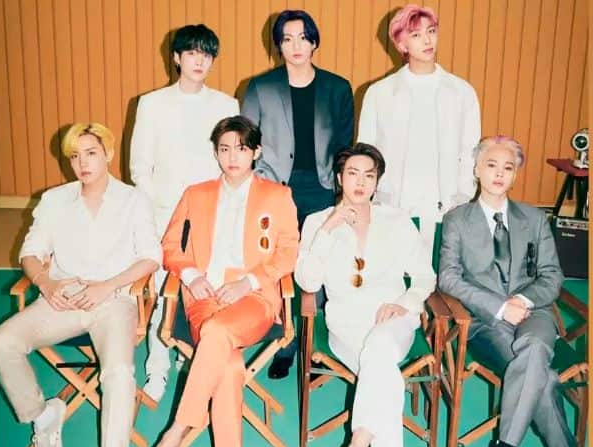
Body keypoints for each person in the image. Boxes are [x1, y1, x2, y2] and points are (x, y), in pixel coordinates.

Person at [127, 116, 299, 447]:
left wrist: (249, 282)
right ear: (216, 153)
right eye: (224, 149)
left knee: (219, 337)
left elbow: (288, 252)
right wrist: (190, 275)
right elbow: (170, 246)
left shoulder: (277, 195)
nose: (232, 157)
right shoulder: (197, 193)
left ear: (256, 152)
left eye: (241, 148)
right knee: (229, 367)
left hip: (254, 299)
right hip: (203, 298)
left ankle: (171, 438)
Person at [0, 123, 162, 447]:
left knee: (119, 374)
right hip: (63, 297)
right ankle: (43, 417)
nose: (82, 163)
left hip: (113, 300)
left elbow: (151, 256)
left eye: (90, 153)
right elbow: (30, 253)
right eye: (74, 156)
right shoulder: (54, 200)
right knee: (1, 343)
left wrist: (107, 287)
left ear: (108, 154)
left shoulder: (133, 200)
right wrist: (47, 283)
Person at [438, 135, 589, 447]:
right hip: (486, 323)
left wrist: (523, 299)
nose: (499, 174)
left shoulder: (534, 219)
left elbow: (552, 276)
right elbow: (448, 278)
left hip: (534, 314)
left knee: (535, 345)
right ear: (476, 169)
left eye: (508, 167)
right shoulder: (457, 220)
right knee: (545, 380)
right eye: (491, 165)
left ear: (516, 174)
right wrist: (499, 306)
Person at [295, 143, 436, 447]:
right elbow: (307, 281)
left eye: (369, 175)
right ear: (339, 178)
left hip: (393, 320)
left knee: (380, 350)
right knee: (381, 365)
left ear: (377, 181)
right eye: (352, 173)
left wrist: (405, 303)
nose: (360, 182)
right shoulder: (318, 221)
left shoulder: (397, 221)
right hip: (346, 326)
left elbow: (425, 277)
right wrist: (328, 230)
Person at [242, 9, 354, 379]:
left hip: (322, 188)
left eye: (303, 37)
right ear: (278, 45)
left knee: (320, 264)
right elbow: (247, 142)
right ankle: (286, 344)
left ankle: (315, 346)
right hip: (277, 189)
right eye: (287, 39)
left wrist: (342, 192)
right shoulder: (260, 87)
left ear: (314, 42)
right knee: (282, 266)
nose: (296, 46)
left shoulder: (337, 88)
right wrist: (262, 185)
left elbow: (344, 145)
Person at [131, 23, 239, 402]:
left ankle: (194, 359)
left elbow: (232, 163)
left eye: (206, 54)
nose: (199, 61)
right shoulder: (152, 104)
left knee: (206, 287)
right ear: (176, 58)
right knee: (166, 292)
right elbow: (139, 168)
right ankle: (157, 369)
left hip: (213, 214)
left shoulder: (226, 105)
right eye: (191, 53)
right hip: (166, 214)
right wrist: (160, 210)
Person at [358, 4, 480, 254]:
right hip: (393, 202)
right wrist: (374, 195)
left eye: (431, 31)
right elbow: (366, 150)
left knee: (438, 273)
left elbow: (470, 150)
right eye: (416, 35)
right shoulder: (379, 93)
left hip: (445, 204)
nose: (427, 40)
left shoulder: (462, 92)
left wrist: (462, 195)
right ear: (401, 45)